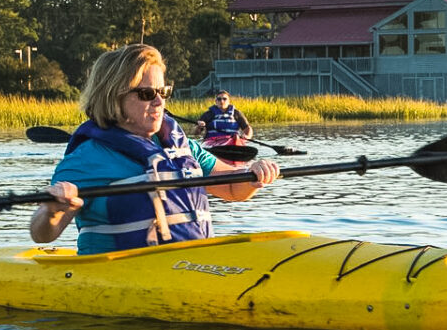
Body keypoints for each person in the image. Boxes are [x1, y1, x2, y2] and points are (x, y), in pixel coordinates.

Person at [30, 45, 279, 251]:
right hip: (120, 275)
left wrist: (255, 175)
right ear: (113, 96)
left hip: (189, 265)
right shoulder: (87, 158)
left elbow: (234, 188)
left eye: (163, 91)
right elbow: (42, 234)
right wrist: (54, 210)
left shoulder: (183, 147)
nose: (160, 101)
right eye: (147, 93)